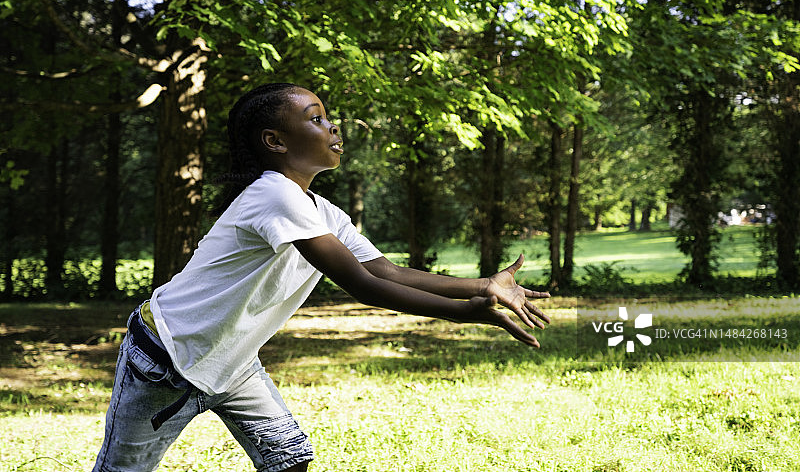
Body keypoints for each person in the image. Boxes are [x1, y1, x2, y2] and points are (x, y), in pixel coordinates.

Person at [93, 83, 550, 472]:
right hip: (167, 357)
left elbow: (384, 269)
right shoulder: (274, 194)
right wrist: (465, 314)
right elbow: (362, 285)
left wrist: (484, 286)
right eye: (316, 119)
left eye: (328, 118)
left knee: (289, 460)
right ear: (275, 141)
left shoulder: (319, 208)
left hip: (231, 362)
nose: (333, 127)